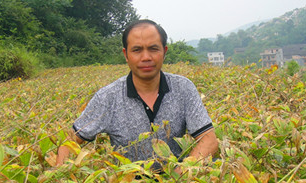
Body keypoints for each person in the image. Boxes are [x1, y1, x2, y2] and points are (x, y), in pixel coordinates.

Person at [56, 19, 218, 168]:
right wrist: (61, 179)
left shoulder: (183, 88)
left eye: (153, 49)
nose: (146, 57)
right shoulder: (108, 97)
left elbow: (209, 140)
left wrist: (180, 176)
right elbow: (69, 143)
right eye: (137, 50)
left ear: (164, 51)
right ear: (126, 55)